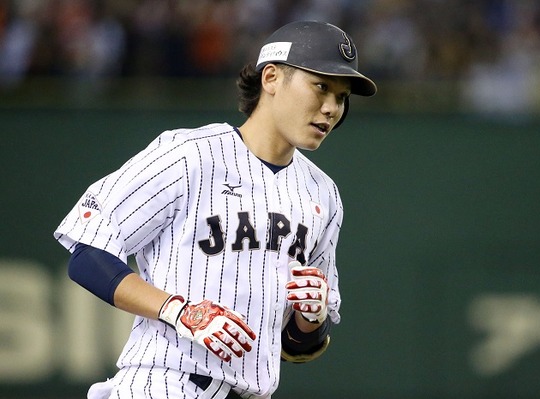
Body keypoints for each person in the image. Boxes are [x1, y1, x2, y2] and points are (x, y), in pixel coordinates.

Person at [53, 20, 376, 399]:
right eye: (321, 86)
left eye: (341, 96)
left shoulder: (323, 193)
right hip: (164, 384)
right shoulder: (190, 154)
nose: (331, 108)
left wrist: (311, 319)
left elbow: (296, 346)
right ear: (270, 78)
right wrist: (179, 310)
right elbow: (87, 254)